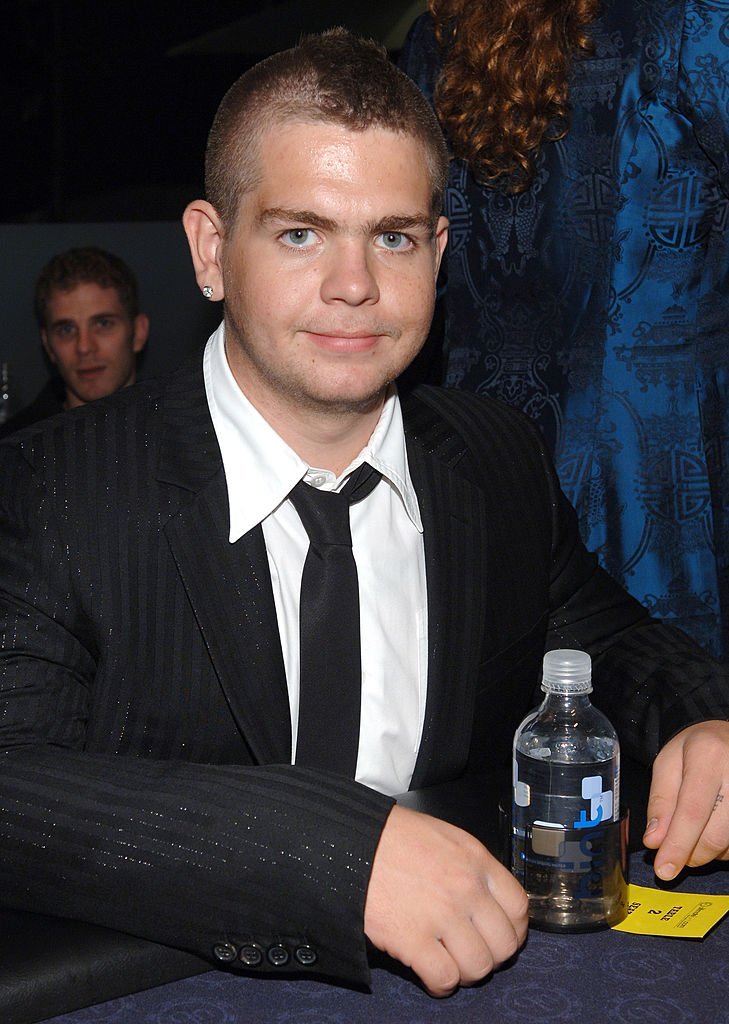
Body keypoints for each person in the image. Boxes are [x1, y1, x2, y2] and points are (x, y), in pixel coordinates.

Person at [0, 28, 728, 999]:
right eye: (301, 231)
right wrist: (336, 855)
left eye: (392, 236)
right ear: (211, 252)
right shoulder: (56, 489)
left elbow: (604, 635)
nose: (355, 285)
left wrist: (699, 713)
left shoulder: (494, 456)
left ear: (437, 249)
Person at [399, 0, 729, 659]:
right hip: (661, 454)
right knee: (672, 714)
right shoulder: (689, 19)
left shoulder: (434, 36)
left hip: (482, 445)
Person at [0, 246, 149, 437]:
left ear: (138, 332)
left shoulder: (182, 436)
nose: (84, 347)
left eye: (103, 324)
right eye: (66, 330)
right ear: (48, 345)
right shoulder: (13, 452)